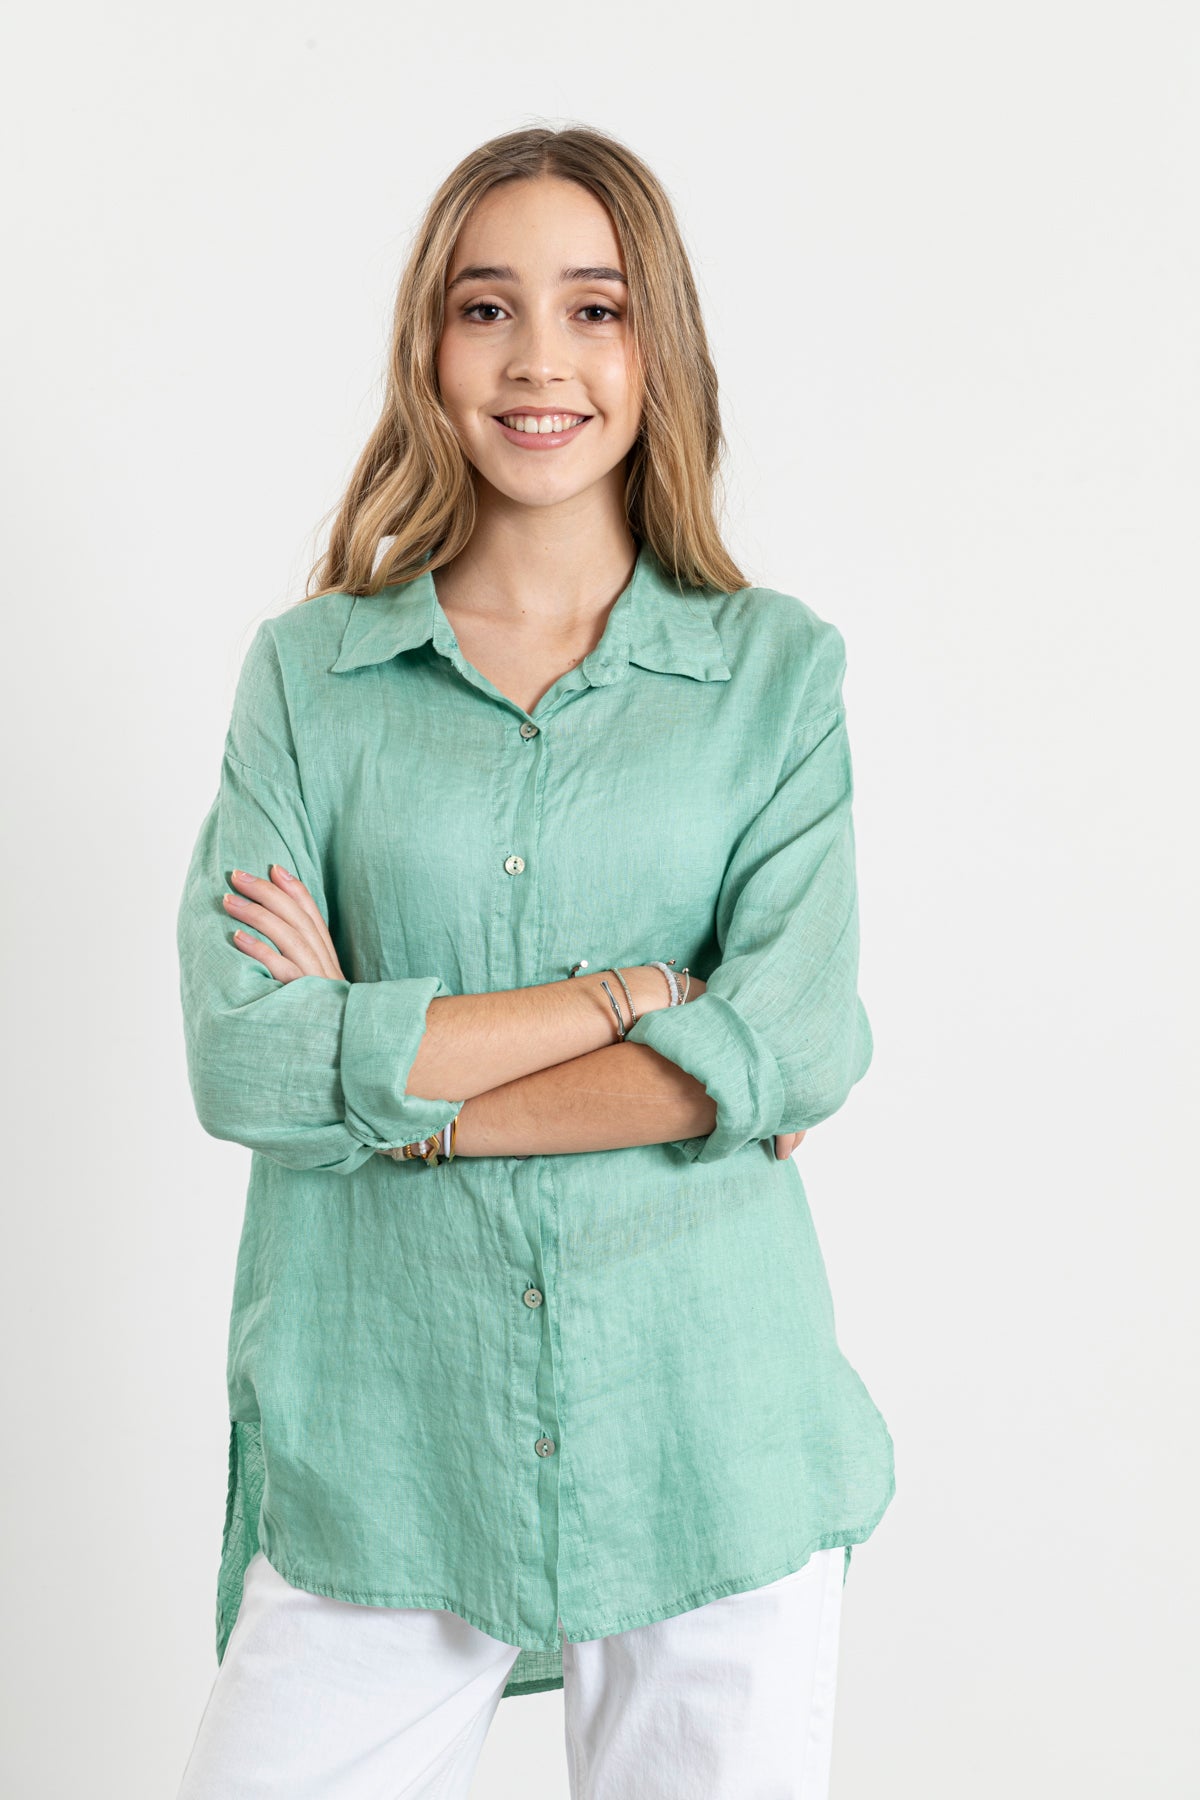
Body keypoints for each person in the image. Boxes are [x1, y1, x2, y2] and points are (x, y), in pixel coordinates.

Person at [173, 124, 896, 1800]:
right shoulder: (311, 681)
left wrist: (395, 1098)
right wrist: (634, 1005)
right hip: (380, 1434)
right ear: (430, 347)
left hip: (709, 1433)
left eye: (596, 308)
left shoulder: (774, 678)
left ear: (658, 350)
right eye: (487, 308)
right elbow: (246, 1061)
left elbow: (788, 1049)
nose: (539, 361)